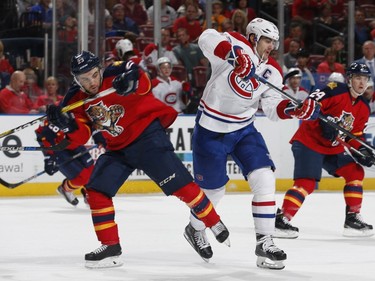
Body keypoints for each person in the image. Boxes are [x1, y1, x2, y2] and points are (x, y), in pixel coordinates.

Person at [45, 50, 230, 269]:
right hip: (117, 149)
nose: (91, 82)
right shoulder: (74, 99)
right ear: (76, 79)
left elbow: (143, 81)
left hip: (147, 138)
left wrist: (132, 81)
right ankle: (110, 246)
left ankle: (214, 222)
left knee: (181, 186)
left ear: (100, 69)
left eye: (94, 75)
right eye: (84, 79)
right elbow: (82, 136)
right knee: (96, 191)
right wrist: (67, 125)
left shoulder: (117, 71)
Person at [184, 17, 320, 269]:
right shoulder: (234, 43)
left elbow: (271, 108)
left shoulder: (273, 71)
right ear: (254, 37)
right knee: (214, 191)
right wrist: (232, 56)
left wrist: (294, 110)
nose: (271, 46)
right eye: (267, 40)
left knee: (265, 179)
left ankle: (265, 244)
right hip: (211, 130)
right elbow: (206, 37)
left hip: (244, 130)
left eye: (274, 42)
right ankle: (194, 228)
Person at [275, 62, 374, 239]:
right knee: (306, 183)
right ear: (349, 79)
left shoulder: (363, 107)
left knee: (355, 171)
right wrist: (323, 120)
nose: (361, 82)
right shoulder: (335, 89)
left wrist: (363, 152)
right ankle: (282, 219)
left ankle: (352, 218)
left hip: (332, 148)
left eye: (365, 79)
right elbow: (310, 104)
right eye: (358, 78)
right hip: (308, 142)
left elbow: (354, 136)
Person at [35, 119, 99, 206]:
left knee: (92, 172)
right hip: (58, 147)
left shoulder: (80, 114)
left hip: (73, 143)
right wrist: (49, 158)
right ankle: (64, 189)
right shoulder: (55, 120)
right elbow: (46, 138)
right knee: (82, 178)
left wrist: (102, 138)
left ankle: (88, 192)